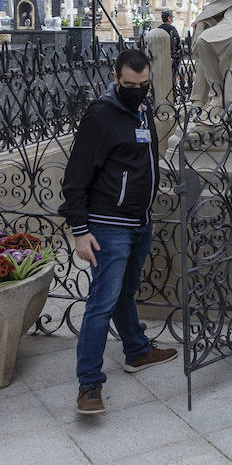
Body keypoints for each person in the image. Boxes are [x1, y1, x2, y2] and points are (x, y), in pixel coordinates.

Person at [59, 48, 177, 415]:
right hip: (107, 226)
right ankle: (89, 384)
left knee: (126, 291)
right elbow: (75, 179)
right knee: (101, 302)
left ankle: (137, 351)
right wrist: (80, 230)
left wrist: (146, 212)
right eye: (129, 85)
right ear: (115, 79)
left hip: (138, 221)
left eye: (143, 85)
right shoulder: (101, 116)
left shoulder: (140, 111)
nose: (137, 90)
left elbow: (141, 165)